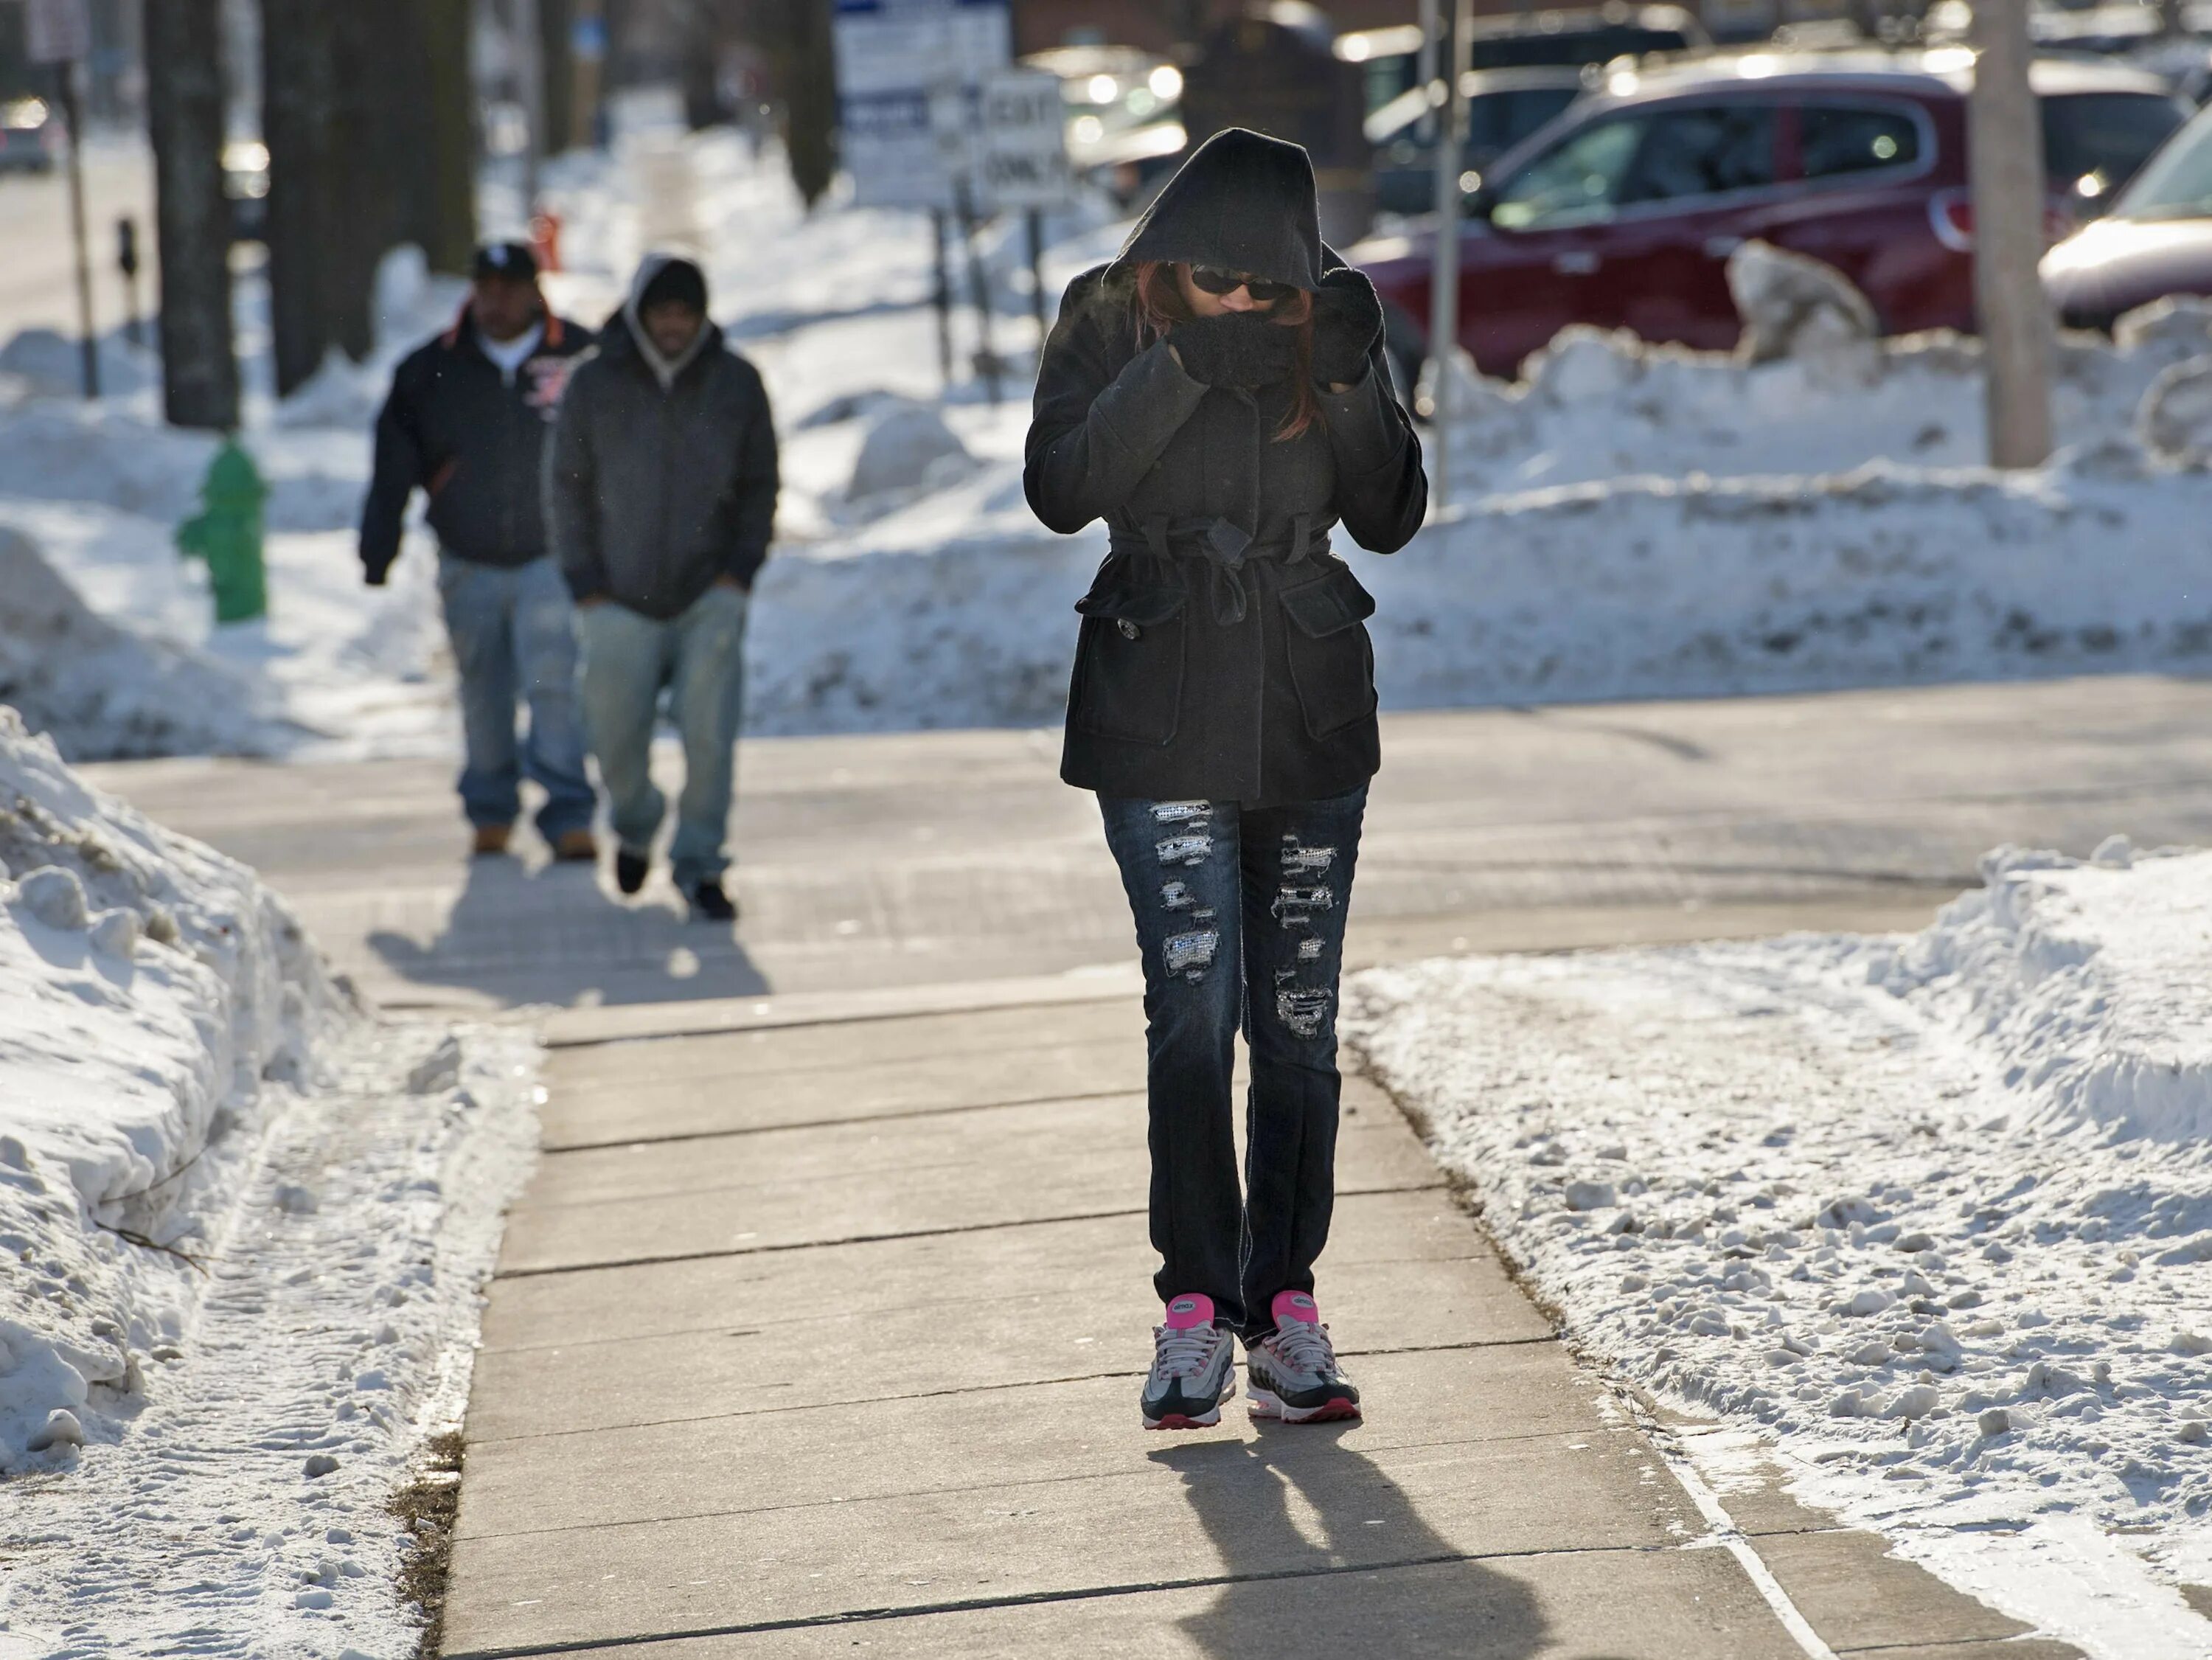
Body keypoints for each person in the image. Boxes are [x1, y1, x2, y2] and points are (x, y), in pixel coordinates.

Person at [1024, 129, 1427, 1431]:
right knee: (1193, 1014)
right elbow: (1061, 485)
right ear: (1170, 265)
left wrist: (1358, 372)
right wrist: (1183, 369)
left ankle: (1288, 1307)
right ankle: (1195, 1310)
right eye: (1220, 288)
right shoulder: (1106, 318)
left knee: (1299, 1026)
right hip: (1160, 702)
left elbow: (1391, 511)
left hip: (1307, 709)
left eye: (1268, 291)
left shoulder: (1337, 321)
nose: (1247, 307)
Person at [544, 254, 779, 923]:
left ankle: (701, 863)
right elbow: (566, 482)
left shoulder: (736, 381)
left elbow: (761, 481)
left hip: (710, 593)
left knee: (711, 737)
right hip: (615, 595)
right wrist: (583, 578)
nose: (674, 325)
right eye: (663, 312)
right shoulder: (593, 382)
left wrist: (740, 571)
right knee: (615, 736)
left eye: (686, 313)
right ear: (642, 314)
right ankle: (637, 821)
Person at [360, 241, 598, 862]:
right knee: (483, 687)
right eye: (485, 287)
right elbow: (394, 461)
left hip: (553, 555)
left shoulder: (581, 357)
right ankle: (491, 808)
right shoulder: (431, 367)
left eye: (510, 287)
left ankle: (570, 811)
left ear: (534, 288)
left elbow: (622, 453)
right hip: (468, 556)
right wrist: (377, 546)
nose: (497, 300)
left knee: (555, 684)